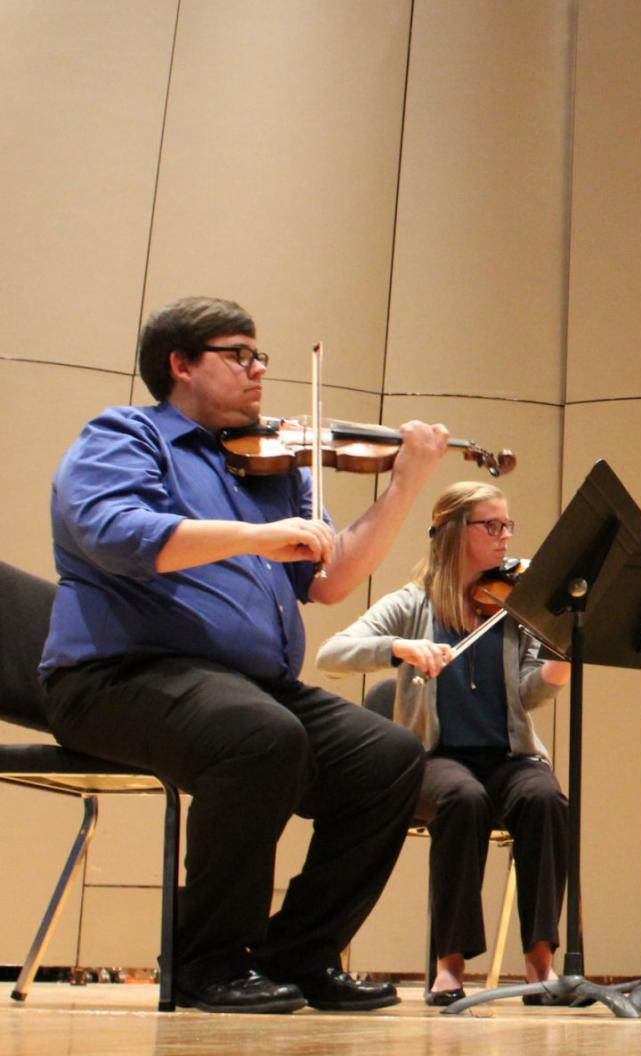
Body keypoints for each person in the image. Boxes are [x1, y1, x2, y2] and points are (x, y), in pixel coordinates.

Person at [40, 296, 449, 1014]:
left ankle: (301, 953)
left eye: (262, 357)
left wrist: (406, 484)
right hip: (117, 676)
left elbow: (327, 578)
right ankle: (206, 960)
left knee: (386, 757)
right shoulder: (125, 436)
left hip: (244, 687)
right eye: (241, 355)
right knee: (261, 736)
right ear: (181, 364)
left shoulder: (270, 464)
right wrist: (255, 536)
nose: (260, 371)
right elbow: (117, 534)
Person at [317, 482, 570, 1007]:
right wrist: (399, 649)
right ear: (455, 532)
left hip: (506, 757)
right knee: (463, 799)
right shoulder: (412, 605)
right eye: (492, 526)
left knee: (545, 798)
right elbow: (331, 653)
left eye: (508, 527)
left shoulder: (511, 607)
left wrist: (552, 671)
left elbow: (525, 693)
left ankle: (540, 960)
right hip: (432, 761)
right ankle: (449, 964)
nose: (505, 538)